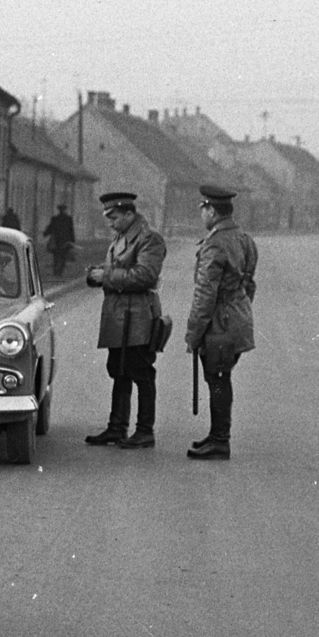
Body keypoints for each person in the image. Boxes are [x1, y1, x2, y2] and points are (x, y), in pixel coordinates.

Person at [84, 191, 167, 451]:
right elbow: (119, 266)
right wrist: (96, 274)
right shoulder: (122, 236)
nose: (110, 222)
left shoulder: (149, 238)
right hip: (121, 315)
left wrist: (105, 276)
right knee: (119, 370)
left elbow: (146, 275)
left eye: (114, 217)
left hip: (138, 315)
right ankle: (117, 426)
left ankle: (145, 431)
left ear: (129, 214)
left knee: (141, 372)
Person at [185, 184, 258, 460]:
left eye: (203, 210)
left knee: (217, 378)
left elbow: (205, 294)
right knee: (220, 377)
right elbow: (249, 284)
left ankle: (220, 440)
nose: (202, 216)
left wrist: (193, 334)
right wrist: (239, 307)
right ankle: (217, 435)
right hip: (237, 317)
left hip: (220, 322)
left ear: (212, 211)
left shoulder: (216, 243)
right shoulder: (244, 238)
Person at [43, 203, 76, 276]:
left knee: (56, 256)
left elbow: (51, 227)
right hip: (66, 240)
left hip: (57, 240)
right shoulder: (68, 219)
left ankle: (55, 271)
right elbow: (71, 230)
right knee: (63, 256)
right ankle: (60, 271)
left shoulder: (55, 218)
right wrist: (72, 240)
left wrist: (45, 233)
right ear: (64, 210)